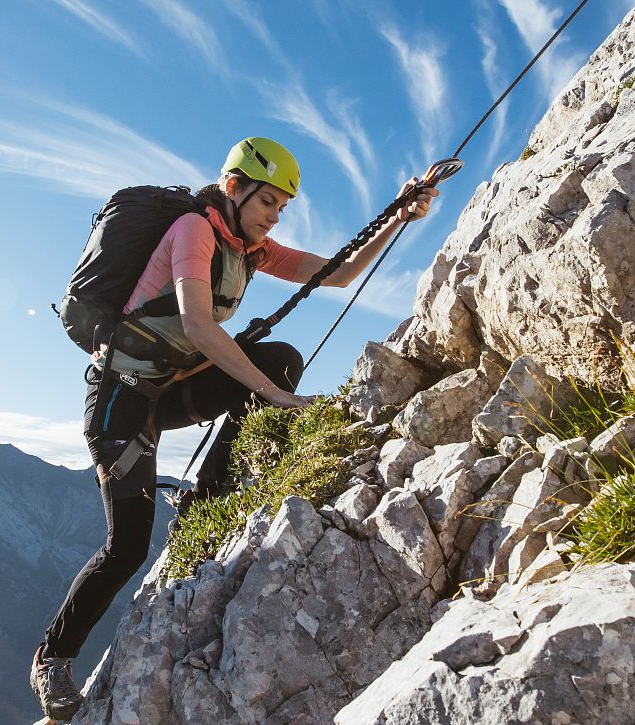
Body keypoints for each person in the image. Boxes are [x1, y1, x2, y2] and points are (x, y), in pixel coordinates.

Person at [30, 137, 437, 720]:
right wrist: (276, 398)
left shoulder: (249, 247)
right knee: (126, 549)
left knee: (280, 358)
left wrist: (397, 216)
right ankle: (51, 657)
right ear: (233, 188)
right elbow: (197, 325)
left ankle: (206, 500)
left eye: (281, 207)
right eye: (267, 200)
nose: (274, 215)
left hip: (166, 389)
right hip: (121, 400)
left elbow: (338, 273)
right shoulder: (196, 231)